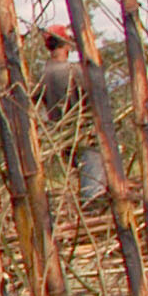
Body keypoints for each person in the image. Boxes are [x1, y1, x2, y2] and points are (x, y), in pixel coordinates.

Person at [36, 23, 108, 206]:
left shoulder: (43, 74)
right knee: (93, 182)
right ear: (65, 44)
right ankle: (92, 206)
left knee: (83, 172)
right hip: (81, 133)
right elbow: (93, 98)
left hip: (61, 136)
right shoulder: (73, 71)